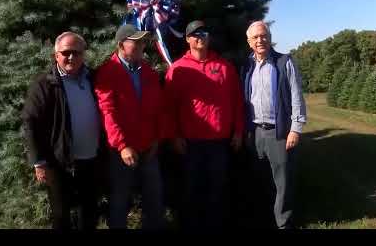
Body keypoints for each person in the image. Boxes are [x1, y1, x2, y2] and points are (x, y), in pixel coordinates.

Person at [163, 20, 244, 230]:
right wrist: (174, 136)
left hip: (219, 142)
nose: (200, 37)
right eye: (195, 34)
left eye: (204, 33)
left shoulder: (224, 67)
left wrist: (238, 131)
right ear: (188, 39)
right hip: (190, 143)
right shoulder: (178, 69)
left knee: (217, 190)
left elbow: (236, 100)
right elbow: (169, 107)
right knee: (191, 191)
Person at [22, 31, 104, 230]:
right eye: (66, 52)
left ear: (83, 54)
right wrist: (38, 161)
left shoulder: (93, 78)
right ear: (56, 55)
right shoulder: (45, 83)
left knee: (90, 212)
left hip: (91, 158)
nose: (71, 57)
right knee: (61, 215)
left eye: (76, 52)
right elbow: (30, 121)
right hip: (58, 161)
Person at [95, 24, 164, 229]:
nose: (142, 45)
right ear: (120, 45)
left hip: (148, 148)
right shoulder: (108, 72)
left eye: (142, 41)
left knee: (154, 199)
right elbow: (108, 112)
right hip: (122, 152)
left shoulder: (148, 72)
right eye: (136, 41)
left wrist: (156, 139)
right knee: (120, 201)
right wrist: (122, 145)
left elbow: (157, 108)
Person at [240, 21, 307, 229]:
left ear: (269, 37)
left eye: (264, 35)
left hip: (279, 132)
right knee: (261, 180)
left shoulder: (283, 62)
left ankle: (283, 223)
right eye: (256, 37)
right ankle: (265, 220)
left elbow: (297, 97)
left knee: (282, 182)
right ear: (249, 42)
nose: (260, 40)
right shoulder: (247, 65)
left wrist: (295, 129)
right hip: (255, 132)